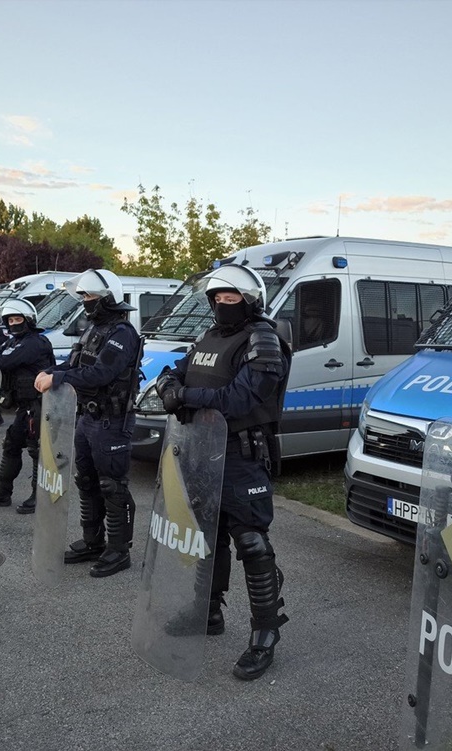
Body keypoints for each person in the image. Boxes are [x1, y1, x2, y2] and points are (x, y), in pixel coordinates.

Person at [155, 264, 292, 681]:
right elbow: (174, 372)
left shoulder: (264, 339)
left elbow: (240, 398)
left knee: (251, 544)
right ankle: (207, 613)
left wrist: (184, 396)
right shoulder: (209, 337)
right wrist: (168, 388)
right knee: (206, 538)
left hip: (243, 457)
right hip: (202, 452)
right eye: (216, 297)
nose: (221, 303)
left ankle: (265, 635)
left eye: (230, 297)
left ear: (249, 299)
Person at [34, 270, 142, 578]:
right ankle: (94, 541)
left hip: (112, 419)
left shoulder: (122, 333)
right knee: (87, 480)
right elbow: (73, 365)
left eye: (90, 297)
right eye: (83, 297)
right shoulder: (94, 329)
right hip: (87, 417)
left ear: (108, 298)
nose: (85, 302)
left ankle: (119, 550)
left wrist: (59, 378)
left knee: (112, 485)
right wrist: (50, 371)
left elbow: (101, 374)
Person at [0, 298, 55, 512]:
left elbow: (6, 360)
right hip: (24, 406)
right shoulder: (14, 341)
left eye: (18, 319)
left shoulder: (34, 342)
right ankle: (2, 492)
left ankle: (40, 496)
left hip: (40, 406)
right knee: (11, 444)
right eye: (10, 320)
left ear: (28, 320)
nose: (14, 323)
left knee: (37, 451)